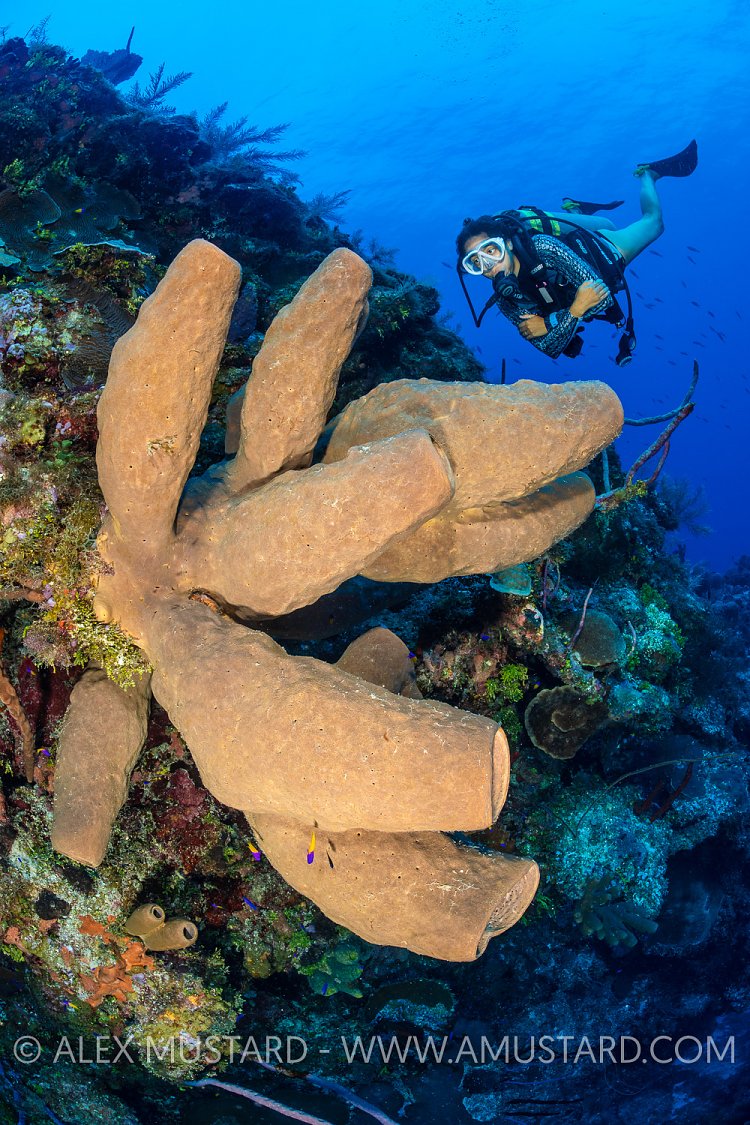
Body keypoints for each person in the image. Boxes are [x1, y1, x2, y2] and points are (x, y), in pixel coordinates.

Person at [455, 140, 698, 365]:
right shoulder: (507, 301)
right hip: (575, 279)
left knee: (653, 223)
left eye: (491, 250)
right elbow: (550, 349)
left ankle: (648, 175)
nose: (489, 265)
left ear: (507, 243)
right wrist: (575, 309)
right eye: (476, 262)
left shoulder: (542, 247)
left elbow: (601, 297)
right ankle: (577, 211)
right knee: (606, 222)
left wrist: (550, 322)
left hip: (604, 253)